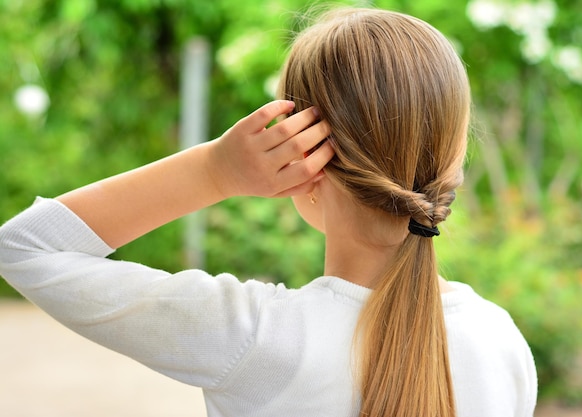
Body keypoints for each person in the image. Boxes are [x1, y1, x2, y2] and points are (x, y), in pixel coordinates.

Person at [0, 7, 537, 417]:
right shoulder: (500, 342)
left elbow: (24, 247)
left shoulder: (254, 336)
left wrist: (214, 170)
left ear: (305, 159)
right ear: (453, 157)